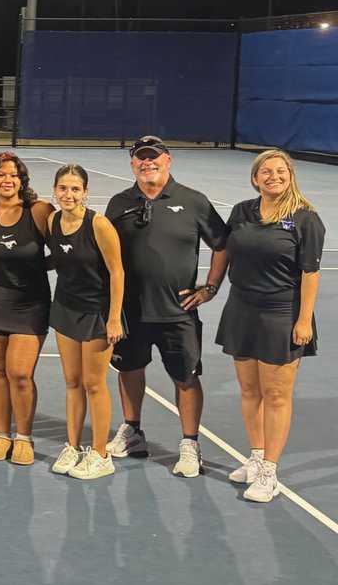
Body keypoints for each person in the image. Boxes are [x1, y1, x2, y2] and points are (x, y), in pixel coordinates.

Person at [104, 135, 228, 478]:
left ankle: (189, 444)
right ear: (132, 164)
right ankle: (133, 431)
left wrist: (211, 287)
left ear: (168, 160)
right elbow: (104, 252)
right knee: (129, 370)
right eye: (141, 158)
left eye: (154, 157)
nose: (148, 163)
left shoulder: (193, 201)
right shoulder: (118, 203)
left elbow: (222, 244)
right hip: (131, 312)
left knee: (186, 377)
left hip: (179, 312)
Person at [216, 149, 324, 502]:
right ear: (254, 177)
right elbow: (225, 253)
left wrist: (303, 320)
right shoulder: (242, 211)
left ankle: (269, 473)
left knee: (276, 395)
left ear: (290, 176)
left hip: (282, 313)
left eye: (280, 171)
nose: (273, 176)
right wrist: (211, 287)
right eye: (266, 171)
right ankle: (256, 456)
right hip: (242, 310)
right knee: (250, 391)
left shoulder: (305, 218)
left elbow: (310, 272)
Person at [0, 151, 54, 466]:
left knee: (20, 373)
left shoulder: (39, 210)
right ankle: (1, 434)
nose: (8, 180)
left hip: (30, 303)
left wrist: (35, 268)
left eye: (13, 175)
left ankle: (24, 437)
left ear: (22, 180)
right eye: (1, 175)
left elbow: (63, 250)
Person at [46, 164, 126, 480]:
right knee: (72, 381)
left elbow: (117, 272)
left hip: (96, 312)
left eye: (75, 189)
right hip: (65, 308)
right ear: (54, 191)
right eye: (63, 188)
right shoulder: (53, 220)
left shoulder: (99, 225)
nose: (68, 194)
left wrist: (115, 318)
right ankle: (74, 445)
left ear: (85, 193)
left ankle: (101, 454)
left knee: (94, 384)